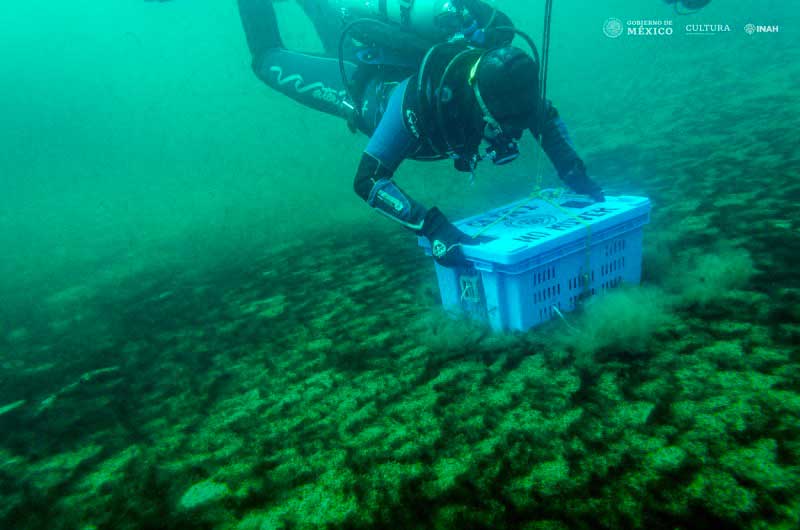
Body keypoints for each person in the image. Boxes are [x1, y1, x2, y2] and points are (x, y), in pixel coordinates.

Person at [237, 0, 604, 267]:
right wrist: (432, 227)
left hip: (387, 54)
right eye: (505, 125)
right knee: (267, 60)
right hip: (359, 87)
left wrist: (576, 174)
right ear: (480, 105)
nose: (513, 133)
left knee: (333, 29)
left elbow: (545, 119)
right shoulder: (419, 102)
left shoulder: (508, 86)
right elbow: (368, 180)